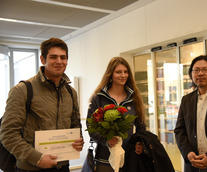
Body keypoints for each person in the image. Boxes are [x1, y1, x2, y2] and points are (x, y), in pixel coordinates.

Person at [0, 38, 84, 171]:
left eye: (63, 57)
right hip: (31, 167)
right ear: (43, 59)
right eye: (53, 57)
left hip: (62, 166)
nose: (59, 61)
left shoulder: (70, 92)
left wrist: (79, 141)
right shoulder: (23, 90)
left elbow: (75, 124)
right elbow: (8, 134)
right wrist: (37, 158)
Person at [86, 57, 146, 172]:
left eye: (125, 72)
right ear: (110, 74)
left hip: (128, 157)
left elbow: (141, 125)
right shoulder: (99, 97)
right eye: (118, 72)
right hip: (104, 159)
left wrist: (139, 142)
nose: (123, 75)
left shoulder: (134, 98)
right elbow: (90, 126)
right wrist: (106, 140)